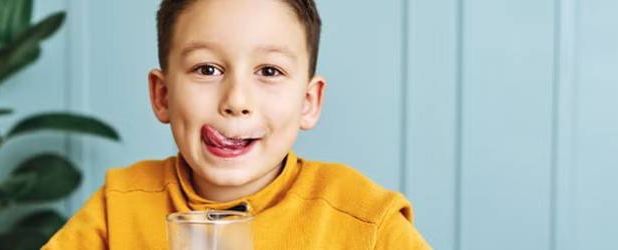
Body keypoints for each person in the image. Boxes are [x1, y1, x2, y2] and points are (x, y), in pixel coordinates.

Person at [43, 0, 431, 249]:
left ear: (308, 102)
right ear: (162, 95)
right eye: (207, 69)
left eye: (269, 70)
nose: (236, 101)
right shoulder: (119, 207)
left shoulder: (365, 220)